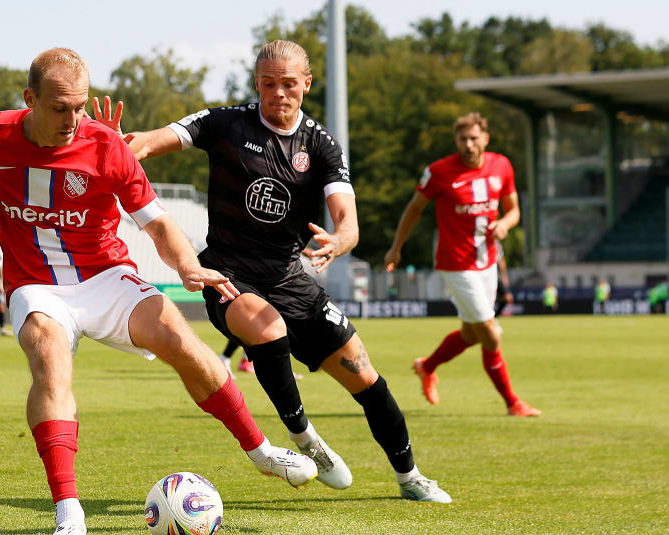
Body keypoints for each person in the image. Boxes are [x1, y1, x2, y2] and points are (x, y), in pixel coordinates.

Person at [0, 48, 316, 535]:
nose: (73, 120)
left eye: (80, 107)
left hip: (105, 275)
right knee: (49, 361)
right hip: (36, 284)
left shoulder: (105, 147)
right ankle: (68, 512)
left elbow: (160, 223)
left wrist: (186, 266)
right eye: (59, 108)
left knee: (182, 343)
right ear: (29, 99)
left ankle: (261, 451)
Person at [108, 39, 451, 503]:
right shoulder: (226, 123)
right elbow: (150, 141)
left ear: (306, 84)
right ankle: (306, 439)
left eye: (289, 83)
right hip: (228, 273)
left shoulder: (322, 145)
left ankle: (410, 477)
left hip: (291, 277)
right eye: (269, 83)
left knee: (367, 379)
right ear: (257, 84)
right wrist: (119, 143)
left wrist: (339, 241)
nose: (279, 93)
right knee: (266, 327)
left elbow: (347, 220)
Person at [384, 112, 540, 417]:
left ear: (485, 138)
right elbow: (414, 209)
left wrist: (505, 225)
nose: (468, 145)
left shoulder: (502, 166)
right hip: (455, 264)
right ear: (456, 141)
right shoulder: (439, 172)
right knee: (491, 334)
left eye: (473, 138)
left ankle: (426, 367)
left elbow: (514, 210)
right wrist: (395, 248)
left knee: (471, 333)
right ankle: (513, 403)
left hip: (488, 262)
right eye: (462, 139)